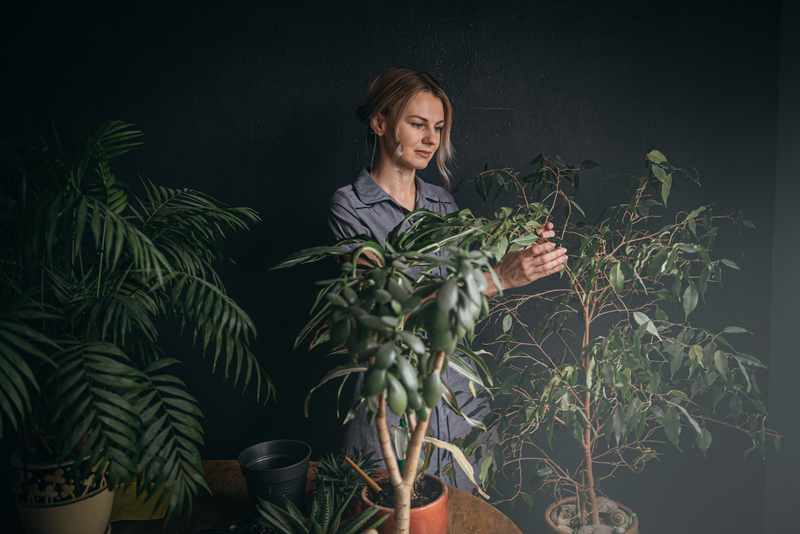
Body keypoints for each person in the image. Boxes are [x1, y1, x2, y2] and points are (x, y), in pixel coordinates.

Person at [327, 67, 568, 487]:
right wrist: (499, 277)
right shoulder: (350, 208)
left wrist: (517, 252)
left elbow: (465, 297)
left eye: (438, 127)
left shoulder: (442, 203)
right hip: (393, 404)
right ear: (380, 122)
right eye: (417, 124)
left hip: (458, 402)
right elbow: (383, 314)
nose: (431, 139)